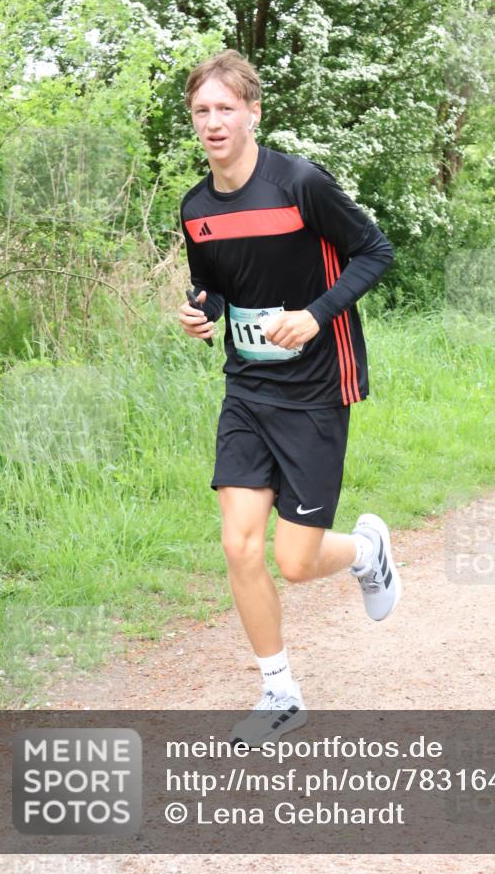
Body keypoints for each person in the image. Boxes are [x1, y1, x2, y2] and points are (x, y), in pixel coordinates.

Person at [178, 49, 401, 746]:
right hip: (246, 387)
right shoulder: (194, 209)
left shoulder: (299, 183)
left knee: (295, 562)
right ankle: (279, 690)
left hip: (313, 387)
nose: (213, 123)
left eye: (225, 109)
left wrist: (314, 314)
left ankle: (365, 552)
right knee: (239, 544)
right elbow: (216, 286)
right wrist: (201, 312)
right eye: (201, 111)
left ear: (252, 113)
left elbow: (374, 251)